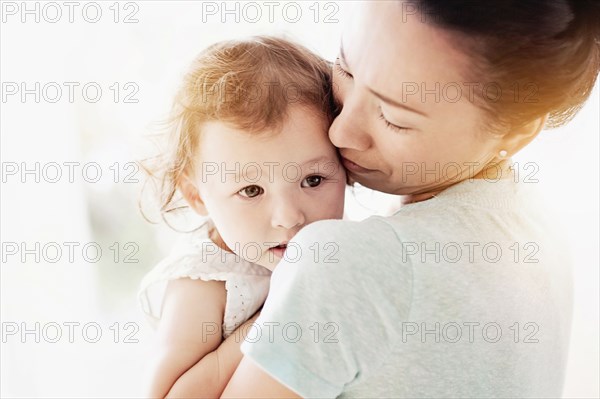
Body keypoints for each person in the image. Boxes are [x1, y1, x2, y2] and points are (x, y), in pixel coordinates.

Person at [221, 1, 600, 398]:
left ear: (516, 132)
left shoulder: (349, 262)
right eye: (345, 69)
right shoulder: (536, 226)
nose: (341, 131)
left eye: (394, 118)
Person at [138, 36, 346, 398]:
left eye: (313, 180)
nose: (288, 217)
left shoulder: (334, 252)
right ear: (196, 196)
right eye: (251, 191)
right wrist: (270, 320)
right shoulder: (206, 281)